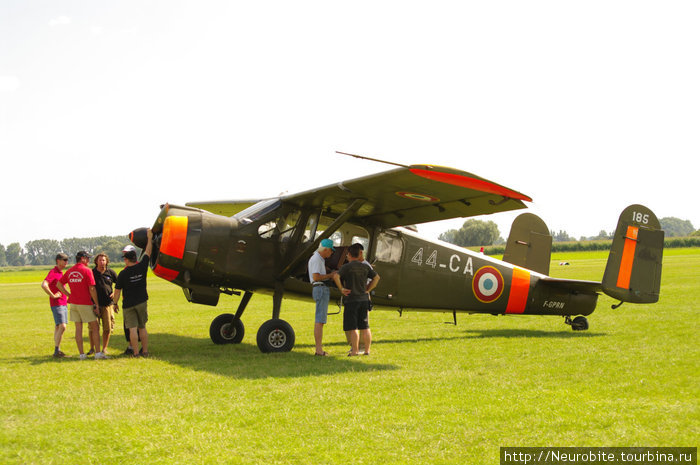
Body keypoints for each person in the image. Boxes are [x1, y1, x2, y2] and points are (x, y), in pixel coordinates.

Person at [333, 243, 380, 356]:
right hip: (364, 300)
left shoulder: (346, 267)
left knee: (353, 327)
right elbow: (377, 278)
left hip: (352, 300)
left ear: (349, 254)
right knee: (365, 326)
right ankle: (367, 351)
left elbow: (336, 276)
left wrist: (341, 289)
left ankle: (354, 351)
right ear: (358, 254)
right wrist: (368, 289)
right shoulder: (365, 266)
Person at [56, 251, 105, 360]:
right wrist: (96, 304)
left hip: (74, 304)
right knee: (95, 327)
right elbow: (92, 289)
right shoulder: (87, 271)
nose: (88, 260)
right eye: (87, 258)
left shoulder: (70, 271)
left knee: (78, 328)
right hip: (85, 303)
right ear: (82, 258)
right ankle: (98, 353)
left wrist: (69, 294)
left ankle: (82, 355)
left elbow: (59, 284)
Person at [113, 230, 153, 357]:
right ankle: (145, 351)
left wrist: (114, 303)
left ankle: (135, 353)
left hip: (128, 304)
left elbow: (117, 291)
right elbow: (148, 252)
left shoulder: (123, 274)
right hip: (142, 301)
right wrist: (150, 238)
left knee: (132, 329)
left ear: (126, 259)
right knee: (142, 327)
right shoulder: (142, 266)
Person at [307, 238, 337, 356]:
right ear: (325, 249)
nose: (331, 253)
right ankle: (319, 350)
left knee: (320, 320)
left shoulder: (318, 259)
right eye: (330, 251)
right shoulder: (317, 259)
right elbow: (316, 277)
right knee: (320, 320)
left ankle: (319, 349)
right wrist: (331, 275)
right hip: (320, 288)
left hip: (319, 288)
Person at [41, 253, 70, 358]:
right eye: (64, 260)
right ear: (58, 260)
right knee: (62, 326)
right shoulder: (53, 272)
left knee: (58, 326)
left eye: (67, 260)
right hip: (57, 303)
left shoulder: (61, 272)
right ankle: (56, 350)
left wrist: (68, 296)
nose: (66, 262)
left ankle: (57, 350)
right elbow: (44, 285)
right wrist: (53, 295)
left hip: (63, 302)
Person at [92, 253, 118, 356]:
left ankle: (104, 348)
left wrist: (114, 293)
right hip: (95, 305)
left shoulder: (110, 272)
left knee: (107, 328)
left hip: (107, 304)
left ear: (107, 261)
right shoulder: (92, 273)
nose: (102, 262)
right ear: (96, 262)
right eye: (100, 260)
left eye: (104, 260)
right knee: (93, 328)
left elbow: (119, 284)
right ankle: (92, 348)